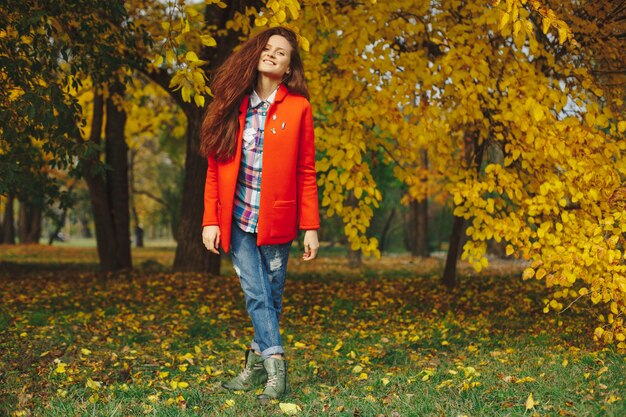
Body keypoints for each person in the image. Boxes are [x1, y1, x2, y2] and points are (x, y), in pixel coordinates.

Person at [199, 27, 320, 401]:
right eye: (267, 48)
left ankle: (251, 369)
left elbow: (306, 170)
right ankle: (276, 368)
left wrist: (310, 227)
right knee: (256, 294)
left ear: (288, 68)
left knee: (271, 299)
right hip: (235, 220)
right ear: (256, 55)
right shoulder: (231, 103)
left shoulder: (299, 108)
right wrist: (209, 220)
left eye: (281, 53)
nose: (272, 54)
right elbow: (215, 168)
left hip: (277, 221)